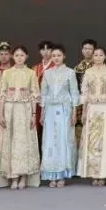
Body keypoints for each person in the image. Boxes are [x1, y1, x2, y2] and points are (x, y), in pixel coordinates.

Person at [0, 46, 40, 190]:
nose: (19, 58)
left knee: (23, 142)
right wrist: (0, 114)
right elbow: (1, 95)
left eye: (22, 55)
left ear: (26, 57)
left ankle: (24, 176)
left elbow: (34, 95)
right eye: (17, 55)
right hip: (9, 110)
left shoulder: (31, 73)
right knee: (10, 141)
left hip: (25, 110)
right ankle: (13, 176)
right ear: (13, 57)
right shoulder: (6, 73)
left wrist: (33, 115)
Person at [39, 44, 79, 187]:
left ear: (64, 56)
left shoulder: (70, 73)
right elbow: (43, 94)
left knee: (63, 140)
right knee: (50, 141)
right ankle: (51, 175)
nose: (56, 58)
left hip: (64, 111)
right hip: (50, 111)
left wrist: (74, 113)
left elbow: (74, 93)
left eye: (59, 55)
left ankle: (62, 175)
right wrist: (42, 113)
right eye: (54, 56)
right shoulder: (47, 73)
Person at [77, 47, 106, 186]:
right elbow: (84, 93)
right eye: (96, 55)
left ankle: (104, 174)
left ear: (105, 56)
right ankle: (94, 174)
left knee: (105, 140)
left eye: (101, 55)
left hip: (105, 108)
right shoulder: (88, 72)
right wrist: (83, 112)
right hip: (92, 109)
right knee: (92, 141)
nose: (98, 57)